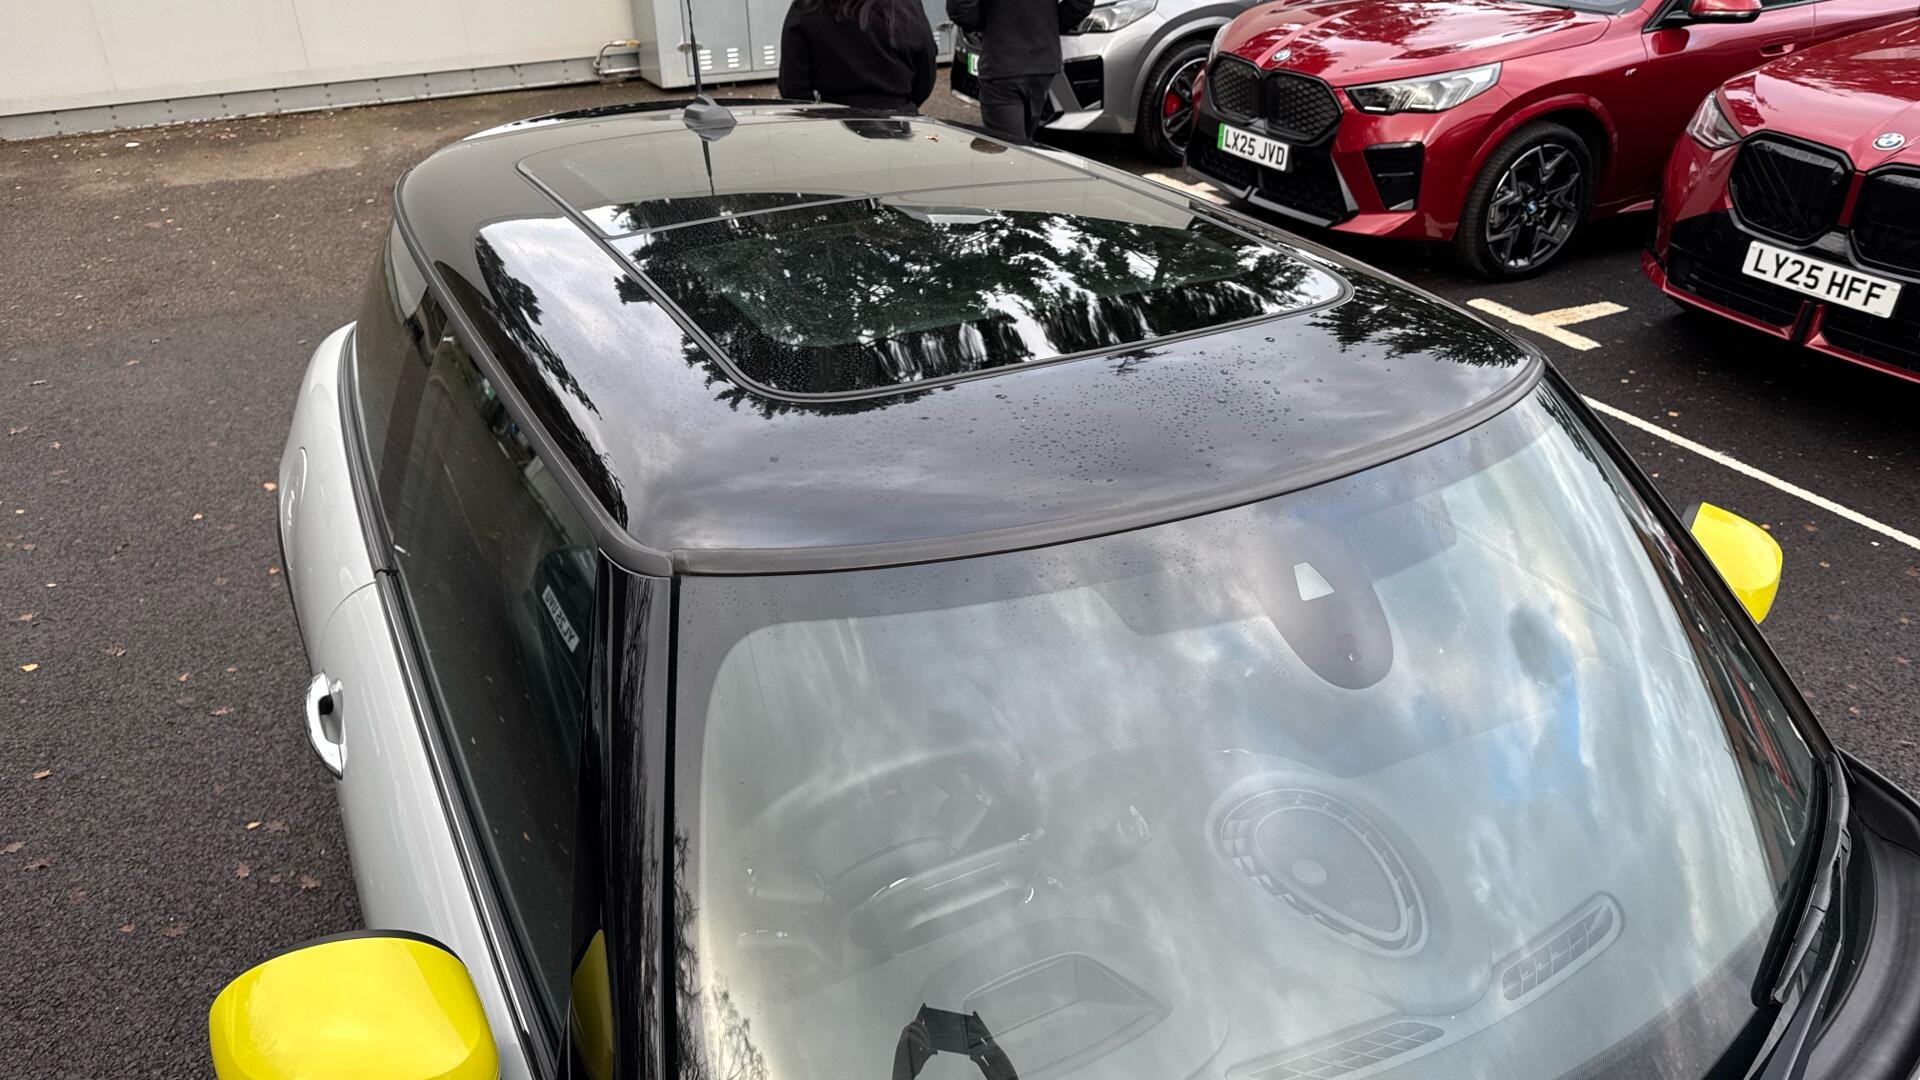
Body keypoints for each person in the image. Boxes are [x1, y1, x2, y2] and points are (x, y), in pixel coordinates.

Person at [947, 0, 1095, 143]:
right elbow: (1081, 4)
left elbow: (961, 9)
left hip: (1004, 62)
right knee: (1021, 141)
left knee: (1008, 148)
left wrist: (990, 24)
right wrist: (1049, 24)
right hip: (1041, 61)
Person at [779, 0, 938, 114]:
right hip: (899, 119)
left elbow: (793, 88)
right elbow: (926, 72)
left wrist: (819, 116)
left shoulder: (807, 7)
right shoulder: (906, 4)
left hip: (835, 124)